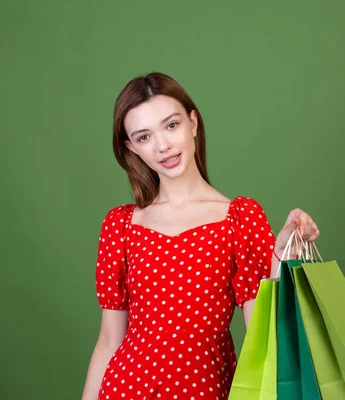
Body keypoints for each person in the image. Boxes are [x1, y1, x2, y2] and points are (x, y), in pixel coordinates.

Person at [81, 72, 320, 400]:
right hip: (126, 388)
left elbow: (263, 334)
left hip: (207, 389)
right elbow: (109, 341)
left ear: (193, 122)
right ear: (131, 147)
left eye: (171, 125)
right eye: (144, 137)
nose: (163, 146)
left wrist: (282, 255)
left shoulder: (239, 219)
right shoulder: (120, 225)